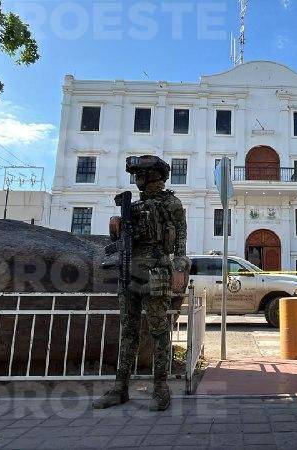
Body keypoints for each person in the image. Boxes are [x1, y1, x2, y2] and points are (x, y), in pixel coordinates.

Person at [93, 155, 189, 411]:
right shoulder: (133, 207)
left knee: (159, 332)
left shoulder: (172, 204)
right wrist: (116, 227)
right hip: (130, 270)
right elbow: (122, 240)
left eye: (140, 175)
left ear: (152, 176)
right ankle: (119, 388)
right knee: (128, 331)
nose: (137, 181)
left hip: (156, 271)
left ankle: (161, 389)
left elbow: (180, 243)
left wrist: (179, 270)